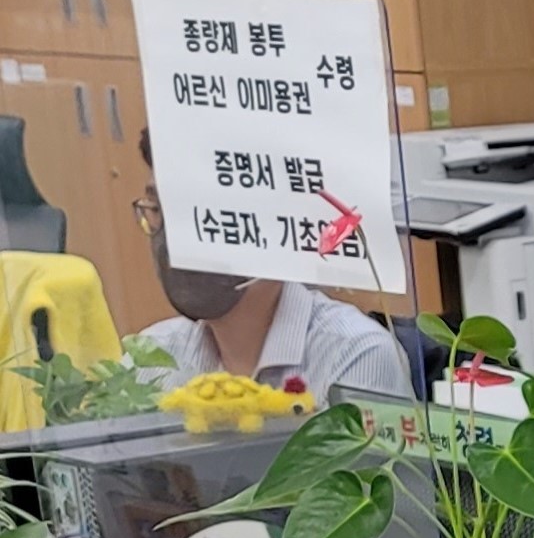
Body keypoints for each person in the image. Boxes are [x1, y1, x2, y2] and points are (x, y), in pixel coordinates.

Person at [132, 129, 412, 402]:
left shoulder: (353, 355)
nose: (177, 239)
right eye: (158, 208)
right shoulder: (150, 360)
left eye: (207, 211)